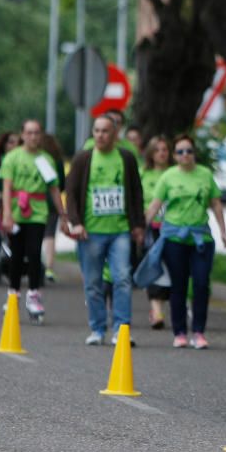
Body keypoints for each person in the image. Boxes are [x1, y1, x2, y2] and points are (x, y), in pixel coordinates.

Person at [65, 115, 145, 346]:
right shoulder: (84, 159)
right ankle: (97, 328)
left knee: (122, 278)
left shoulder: (126, 158)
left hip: (120, 230)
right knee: (93, 282)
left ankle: (121, 328)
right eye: (97, 131)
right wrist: (75, 222)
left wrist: (138, 224)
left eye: (105, 131)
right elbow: (70, 191)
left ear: (115, 134)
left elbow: (136, 191)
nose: (100, 135)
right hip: (90, 231)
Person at [144, 134, 226, 349]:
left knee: (201, 284)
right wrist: (141, 229)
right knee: (179, 285)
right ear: (175, 155)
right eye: (180, 152)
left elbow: (217, 204)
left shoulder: (205, 175)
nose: (185, 155)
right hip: (174, 238)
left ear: (194, 154)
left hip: (201, 237)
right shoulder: (169, 177)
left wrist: (223, 231)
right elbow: (155, 205)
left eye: (189, 151)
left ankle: (199, 331)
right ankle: (180, 331)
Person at [0, 120, 67, 319]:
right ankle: (13, 293)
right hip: (17, 210)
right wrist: (7, 214)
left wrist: (62, 213)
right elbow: (7, 187)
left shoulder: (45, 159)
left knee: (34, 251)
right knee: (17, 254)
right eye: (29, 133)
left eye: (37, 133)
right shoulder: (12, 158)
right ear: (22, 134)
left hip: (37, 211)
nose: (33, 137)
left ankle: (34, 294)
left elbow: (54, 188)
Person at [140, 136, 172, 329]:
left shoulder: (175, 174)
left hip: (173, 228)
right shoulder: (144, 174)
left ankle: (167, 305)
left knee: (173, 269)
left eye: (165, 149)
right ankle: (156, 309)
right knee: (154, 265)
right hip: (152, 227)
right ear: (151, 153)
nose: (162, 153)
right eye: (158, 150)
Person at [39, 133, 67, 283]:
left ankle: (37, 264)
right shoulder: (57, 160)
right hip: (53, 203)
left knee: (36, 234)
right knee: (50, 235)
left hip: (35, 202)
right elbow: (62, 183)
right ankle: (49, 267)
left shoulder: (36, 158)